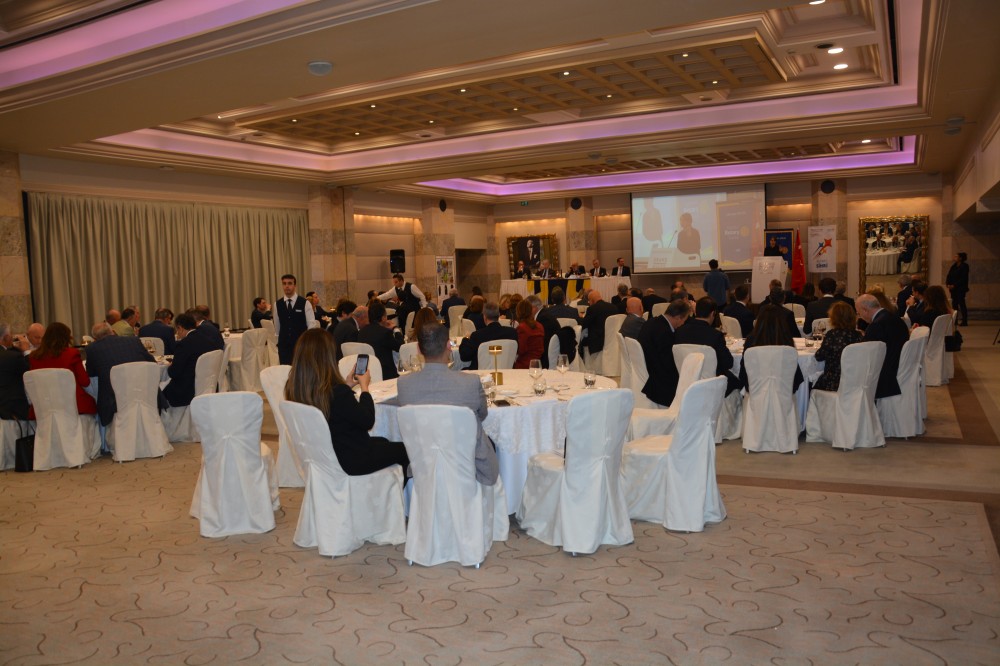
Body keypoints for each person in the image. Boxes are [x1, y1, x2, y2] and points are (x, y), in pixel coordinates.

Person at [285, 329, 408, 477]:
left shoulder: (295, 388)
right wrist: (364, 387)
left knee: (383, 441)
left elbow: (332, 403)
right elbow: (367, 420)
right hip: (352, 459)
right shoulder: (338, 393)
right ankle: (401, 490)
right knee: (407, 450)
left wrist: (347, 385)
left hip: (327, 455)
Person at [396, 322, 497, 485]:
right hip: (465, 463)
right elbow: (482, 415)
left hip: (424, 463)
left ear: (418, 350)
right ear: (449, 346)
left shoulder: (404, 384)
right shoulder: (470, 382)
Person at [86, 321, 163, 427]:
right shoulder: (134, 341)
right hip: (143, 393)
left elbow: (91, 375)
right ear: (112, 332)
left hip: (114, 399)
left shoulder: (92, 349)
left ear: (95, 339)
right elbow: (152, 363)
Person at [28, 322, 97, 418]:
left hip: (45, 408)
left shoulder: (34, 357)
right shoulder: (71, 354)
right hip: (73, 407)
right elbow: (85, 382)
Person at [675, 297, 740, 395]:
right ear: (713, 313)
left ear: (696, 311)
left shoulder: (679, 332)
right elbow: (728, 363)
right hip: (712, 384)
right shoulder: (715, 335)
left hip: (686, 382)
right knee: (738, 382)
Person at [163, 313, 225, 407]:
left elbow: (174, 373)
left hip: (187, 391)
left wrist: (170, 366)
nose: (177, 333)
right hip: (208, 387)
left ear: (180, 328)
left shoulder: (183, 344)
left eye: (177, 330)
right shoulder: (209, 340)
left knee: (161, 393)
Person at [855, 293, 909, 399]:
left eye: (859, 312)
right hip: (900, 366)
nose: (859, 316)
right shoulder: (895, 318)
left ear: (865, 310)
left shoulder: (876, 325)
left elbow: (866, 354)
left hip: (886, 375)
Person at [739, 305, 803, 394]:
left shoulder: (751, 341)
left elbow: (743, 374)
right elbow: (795, 377)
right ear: (782, 323)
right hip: (783, 395)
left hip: (756, 395)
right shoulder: (786, 340)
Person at [637, 299, 688, 407]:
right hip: (657, 378)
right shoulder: (664, 332)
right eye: (684, 320)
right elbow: (668, 363)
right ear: (678, 317)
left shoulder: (651, 322)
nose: (683, 324)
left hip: (647, 366)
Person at [812, 302, 863, 392]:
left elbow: (819, 356)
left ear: (834, 318)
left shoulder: (832, 335)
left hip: (833, 383)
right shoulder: (858, 335)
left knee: (810, 383)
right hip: (855, 382)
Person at [458, 301, 518, 370]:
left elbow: (464, 357)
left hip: (480, 373)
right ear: (499, 315)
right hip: (505, 371)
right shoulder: (512, 333)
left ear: (484, 316)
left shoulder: (477, 335)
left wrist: (466, 338)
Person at [273, 273, 315, 365]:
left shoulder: (305, 303)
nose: (287, 286)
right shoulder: (277, 304)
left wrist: (308, 344)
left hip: (301, 345)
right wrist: (279, 343)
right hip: (284, 346)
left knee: (302, 369)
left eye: (289, 283)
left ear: (295, 285)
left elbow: (311, 326)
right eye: (284, 283)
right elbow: (277, 327)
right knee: (285, 370)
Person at [357, 301, 404, 380]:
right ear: (383, 318)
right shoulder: (385, 333)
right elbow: (401, 347)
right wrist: (395, 328)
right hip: (385, 374)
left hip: (367, 373)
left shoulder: (361, 332)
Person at [578, 289, 618, 364]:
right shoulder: (614, 307)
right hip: (612, 341)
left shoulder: (592, 309)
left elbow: (585, 326)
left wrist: (582, 343)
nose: (589, 303)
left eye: (589, 301)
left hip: (597, 344)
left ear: (592, 300)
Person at [0, 323, 30, 420]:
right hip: (11, 411)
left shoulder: (10, 355)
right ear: (6, 337)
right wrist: (26, 351)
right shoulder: (12, 356)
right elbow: (31, 373)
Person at [513, 298, 544, 369]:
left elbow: (520, 350)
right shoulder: (540, 326)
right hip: (537, 364)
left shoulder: (522, 327)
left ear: (518, 312)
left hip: (523, 365)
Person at [946, 252, 969, 326]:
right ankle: (955, 320)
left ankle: (964, 321)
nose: (955, 257)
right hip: (953, 289)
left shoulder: (965, 266)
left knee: (962, 304)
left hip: (960, 288)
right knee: (954, 304)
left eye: (956, 256)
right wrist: (948, 284)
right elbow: (949, 275)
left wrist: (954, 285)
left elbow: (963, 278)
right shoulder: (954, 266)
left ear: (960, 258)